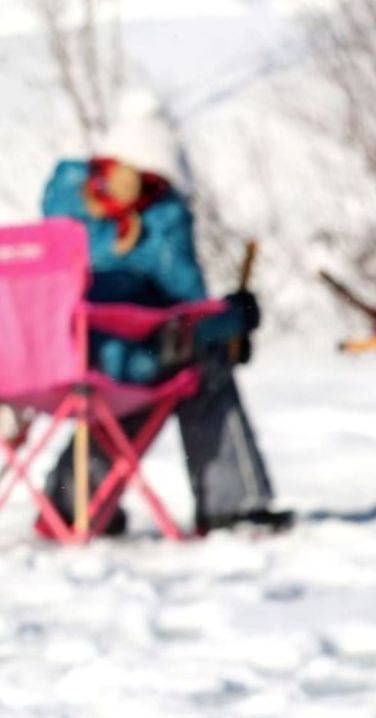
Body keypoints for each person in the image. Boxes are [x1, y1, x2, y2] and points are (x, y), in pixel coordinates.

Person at [38, 90, 284, 537]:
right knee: (196, 364)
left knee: (121, 381)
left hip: (46, 366)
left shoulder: (60, 209)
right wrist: (237, 319)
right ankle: (235, 506)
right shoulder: (161, 217)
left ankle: (71, 502)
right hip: (123, 363)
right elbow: (189, 310)